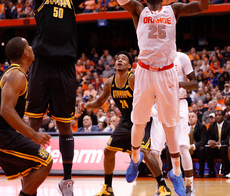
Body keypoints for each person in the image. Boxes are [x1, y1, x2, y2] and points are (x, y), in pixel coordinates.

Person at [106, 0, 208, 196]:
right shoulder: (139, 10)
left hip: (167, 74)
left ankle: (175, 171)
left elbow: (204, 5)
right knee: (138, 120)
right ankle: (135, 157)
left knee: (171, 124)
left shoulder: (173, 10)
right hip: (143, 72)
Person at [25, 0, 104, 196]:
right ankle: (27, 171)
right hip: (42, 65)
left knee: (64, 126)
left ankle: (67, 180)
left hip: (66, 68)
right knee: (33, 122)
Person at [80, 51, 172, 196]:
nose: (119, 61)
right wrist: (86, 106)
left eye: (123, 59)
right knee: (108, 151)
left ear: (130, 65)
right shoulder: (110, 82)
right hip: (125, 121)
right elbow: (99, 101)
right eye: (117, 59)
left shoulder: (133, 78)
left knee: (144, 151)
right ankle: (108, 188)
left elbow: (149, 95)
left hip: (142, 119)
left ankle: (162, 186)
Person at [0, 37, 52, 196]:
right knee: (46, 161)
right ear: (25, 53)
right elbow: (6, 111)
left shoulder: (13, 73)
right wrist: (33, 134)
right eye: (29, 46)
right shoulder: (17, 75)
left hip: (1, 132)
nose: (32, 48)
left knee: (30, 167)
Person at [150, 52, 198, 196]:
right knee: (155, 152)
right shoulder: (152, 58)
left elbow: (194, 83)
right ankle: (161, 185)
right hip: (159, 104)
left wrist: (178, 84)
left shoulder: (182, 57)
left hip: (179, 103)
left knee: (183, 148)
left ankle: (189, 186)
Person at [206, 110, 230, 178]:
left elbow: (228, 139)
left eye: (219, 115)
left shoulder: (228, 125)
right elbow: (208, 138)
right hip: (215, 148)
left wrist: (219, 143)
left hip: (224, 147)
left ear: (224, 116)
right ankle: (212, 171)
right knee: (208, 149)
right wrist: (210, 142)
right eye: (216, 115)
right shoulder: (211, 126)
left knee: (224, 149)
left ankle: (226, 171)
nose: (217, 117)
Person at [188, 112, 207, 178]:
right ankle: (182, 173)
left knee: (201, 149)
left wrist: (194, 146)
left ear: (196, 118)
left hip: (196, 148)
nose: (190, 118)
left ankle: (201, 173)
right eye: (189, 117)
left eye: (192, 117)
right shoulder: (184, 127)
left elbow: (203, 140)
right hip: (187, 148)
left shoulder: (202, 127)